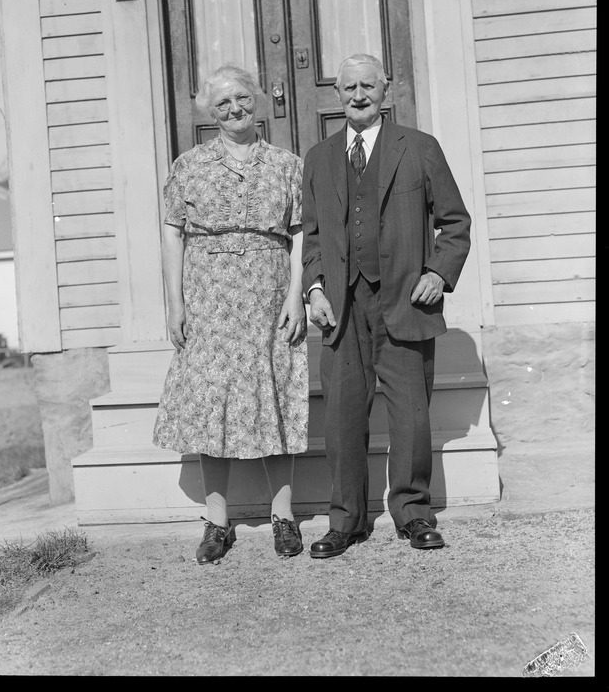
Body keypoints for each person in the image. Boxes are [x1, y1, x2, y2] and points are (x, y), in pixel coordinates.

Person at [302, 54, 471, 558]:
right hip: (342, 306)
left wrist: (438, 273)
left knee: (411, 414)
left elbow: (455, 223)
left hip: (403, 300)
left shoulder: (418, 148)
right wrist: (314, 289)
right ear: (337, 94)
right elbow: (311, 238)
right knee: (342, 416)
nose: (358, 95)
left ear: (386, 90)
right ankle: (346, 519)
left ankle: (414, 513)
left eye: (368, 86)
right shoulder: (318, 157)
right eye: (349, 87)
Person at [153, 64, 308, 564]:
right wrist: (175, 304)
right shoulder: (189, 165)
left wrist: (295, 295)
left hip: (268, 291)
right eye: (223, 103)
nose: (235, 109)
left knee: (272, 397)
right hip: (208, 295)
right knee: (213, 403)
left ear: (258, 101)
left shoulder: (287, 164)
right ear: (209, 112)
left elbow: (301, 231)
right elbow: (173, 231)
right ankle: (217, 523)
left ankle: (284, 516)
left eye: (242, 98)